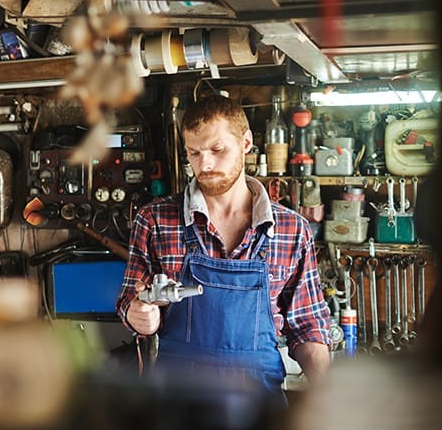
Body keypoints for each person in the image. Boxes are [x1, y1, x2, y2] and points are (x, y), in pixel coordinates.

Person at [116, 94, 331, 399]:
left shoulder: (291, 230)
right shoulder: (154, 220)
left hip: (258, 406)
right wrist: (138, 314)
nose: (204, 165)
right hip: (178, 405)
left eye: (217, 150)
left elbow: (308, 325)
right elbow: (128, 302)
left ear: (245, 143)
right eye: (194, 153)